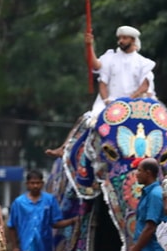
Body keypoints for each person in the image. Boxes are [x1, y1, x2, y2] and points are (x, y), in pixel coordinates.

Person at [45, 26, 156, 158]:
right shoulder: (110, 58)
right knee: (86, 120)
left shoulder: (143, 62)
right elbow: (100, 77)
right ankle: (65, 148)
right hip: (109, 104)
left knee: (161, 124)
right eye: (119, 38)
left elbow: (145, 86)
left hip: (135, 105)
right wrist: (89, 46)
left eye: (124, 38)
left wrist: (128, 101)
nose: (120, 41)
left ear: (133, 40)